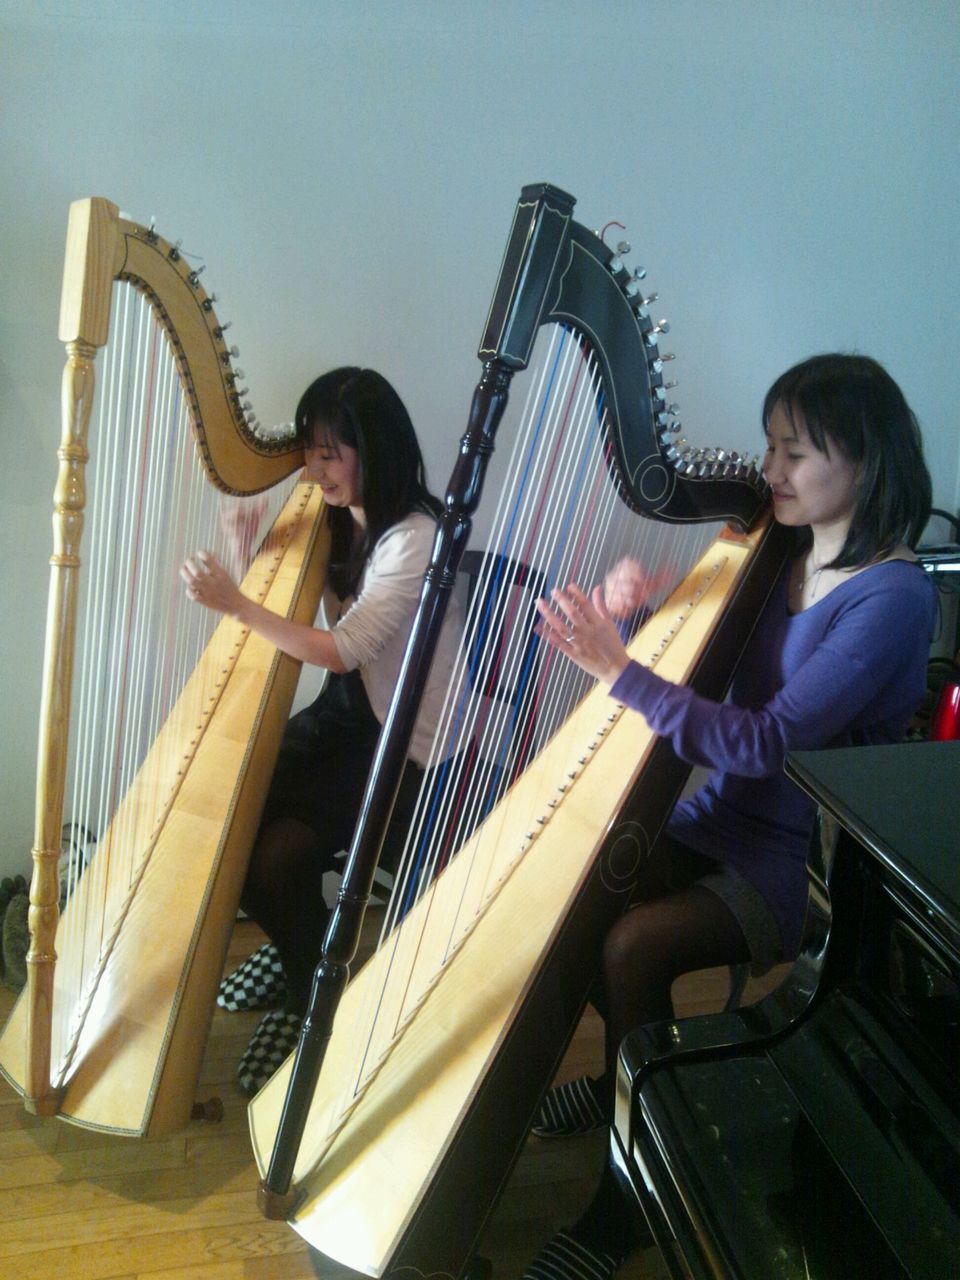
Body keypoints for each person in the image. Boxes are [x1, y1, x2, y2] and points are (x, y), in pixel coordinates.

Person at [522, 353, 937, 1280]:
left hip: (807, 864)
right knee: (579, 886)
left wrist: (616, 668)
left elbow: (763, 743)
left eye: (795, 451)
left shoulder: (894, 598)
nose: (770, 468)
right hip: (720, 821)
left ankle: (629, 1196)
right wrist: (634, 616)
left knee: (633, 946)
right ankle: (633, 1076)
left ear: (864, 460)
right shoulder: (779, 552)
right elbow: (695, 669)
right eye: (770, 445)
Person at [181, 367, 462, 1095]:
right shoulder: (345, 515)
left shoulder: (416, 538)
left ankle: (310, 991)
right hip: (349, 717)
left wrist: (236, 602)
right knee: (237, 810)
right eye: (310, 450)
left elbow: (343, 648)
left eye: (332, 452)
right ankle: (297, 949)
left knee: (273, 857)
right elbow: (321, 611)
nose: (315, 467)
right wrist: (247, 553)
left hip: (402, 746)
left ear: (377, 449)